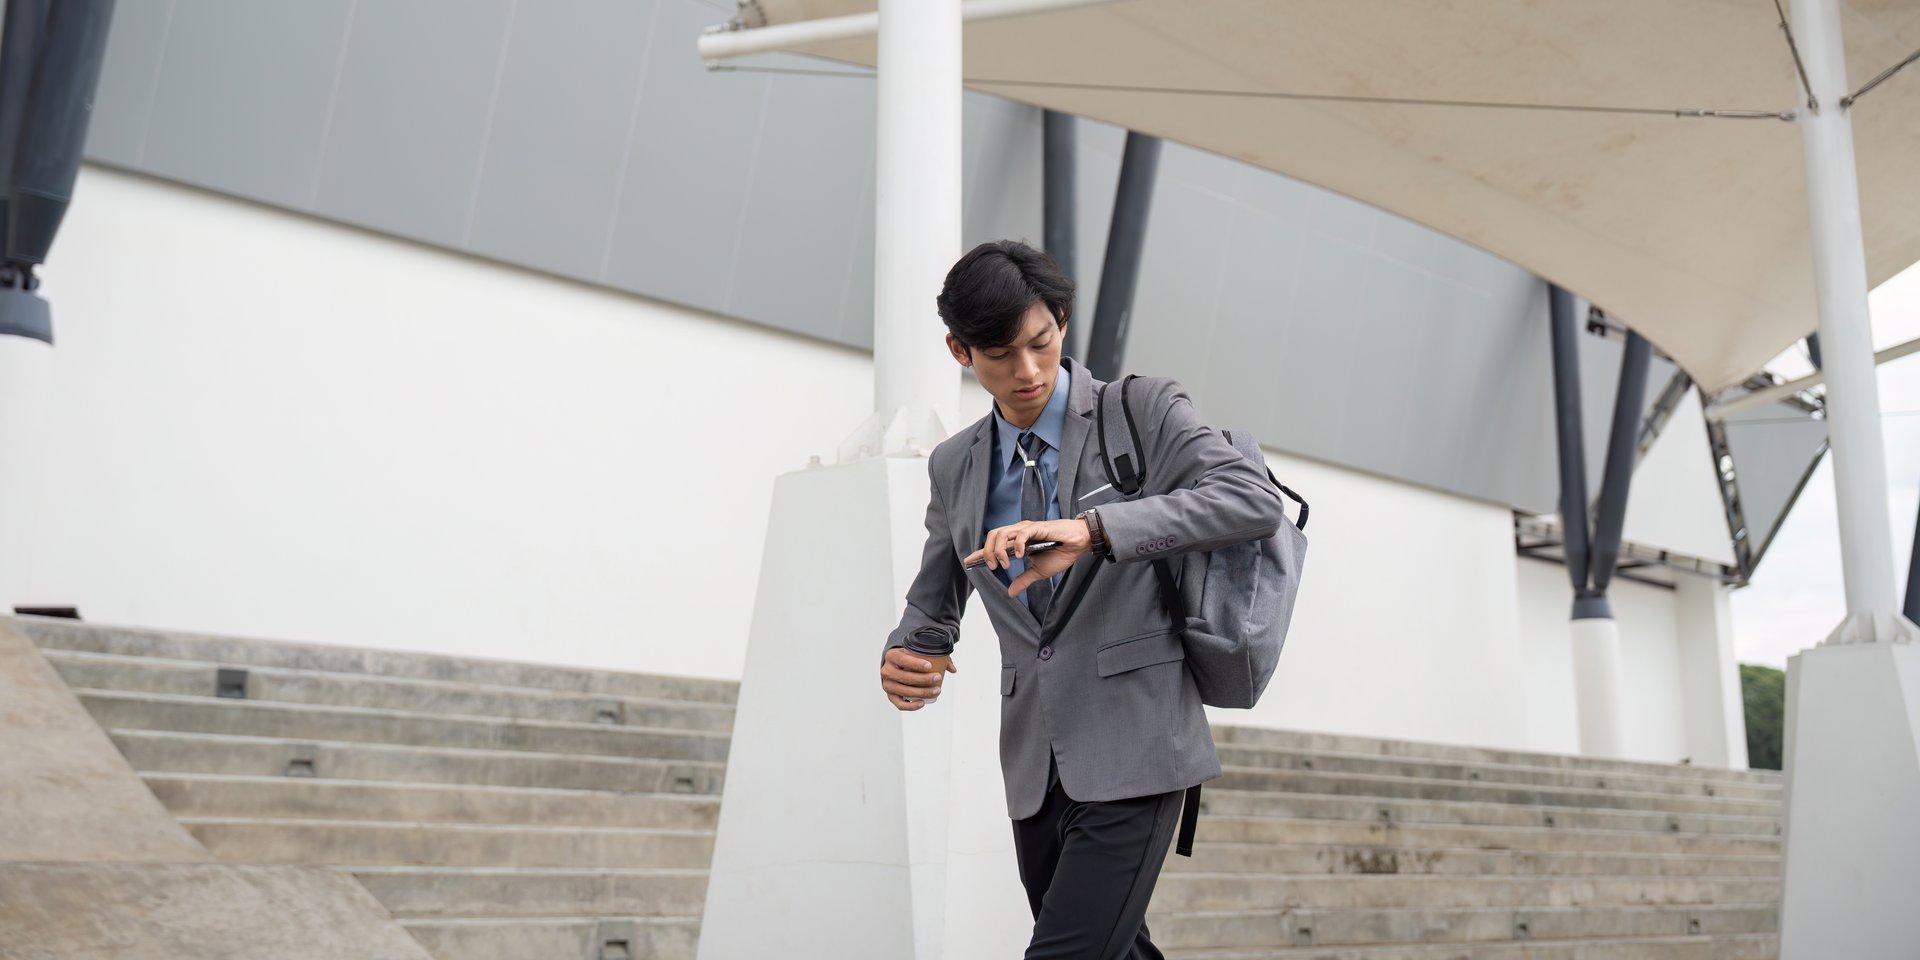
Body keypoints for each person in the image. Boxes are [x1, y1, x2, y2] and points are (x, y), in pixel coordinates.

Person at [877, 239, 1286, 959]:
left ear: (1062, 319)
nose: (1027, 370)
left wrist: (1096, 530)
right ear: (959, 350)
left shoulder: (1142, 411)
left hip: (1139, 745)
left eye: (1041, 343)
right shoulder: (954, 465)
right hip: (1035, 768)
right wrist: (909, 651)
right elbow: (933, 600)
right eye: (1000, 354)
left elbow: (1251, 500)